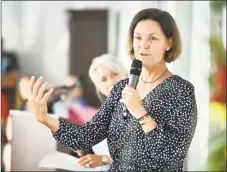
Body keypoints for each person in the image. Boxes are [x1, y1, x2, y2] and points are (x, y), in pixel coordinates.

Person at [27, 8, 198, 171]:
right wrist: (45, 119)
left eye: (152, 38)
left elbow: (171, 156)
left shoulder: (181, 91)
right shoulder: (121, 88)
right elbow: (87, 136)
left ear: (168, 42)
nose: (143, 45)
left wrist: (140, 112)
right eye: (138, 38)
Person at [72, 53, 127, 170]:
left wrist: (103, 159)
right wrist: (85, 152)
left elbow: (144, 151)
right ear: (99, 88)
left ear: (126, 75)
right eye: (103, 79)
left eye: (115, 74)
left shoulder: (138, 107)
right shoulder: (106, 114)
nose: (111, 82)